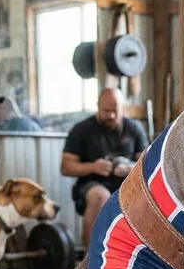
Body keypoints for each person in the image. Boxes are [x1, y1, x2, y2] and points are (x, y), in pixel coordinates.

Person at [61, 87, 148, 246]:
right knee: (100, 196)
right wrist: (93, 167)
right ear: (98, 106)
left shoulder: (134, 129)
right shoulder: (81, 130)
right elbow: (66, 167)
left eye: (115, 111)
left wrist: (129, 168)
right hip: (91, 185)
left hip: (126, 184)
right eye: (106, 111)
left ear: (122, 109)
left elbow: (147, 163)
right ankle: (88, 263)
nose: (111, 115)